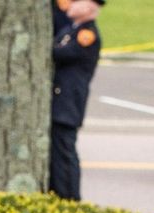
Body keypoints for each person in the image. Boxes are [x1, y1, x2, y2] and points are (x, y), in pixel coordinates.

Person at [49, 0, 99, 201]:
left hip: (68, 101)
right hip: (60, 98)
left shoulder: (87, 34)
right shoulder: (71, 29)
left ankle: (71, 196)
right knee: (56, 150)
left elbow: (60, 52)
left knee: (65, 150)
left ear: (88, 9)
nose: (71, 4)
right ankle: (58, 192)